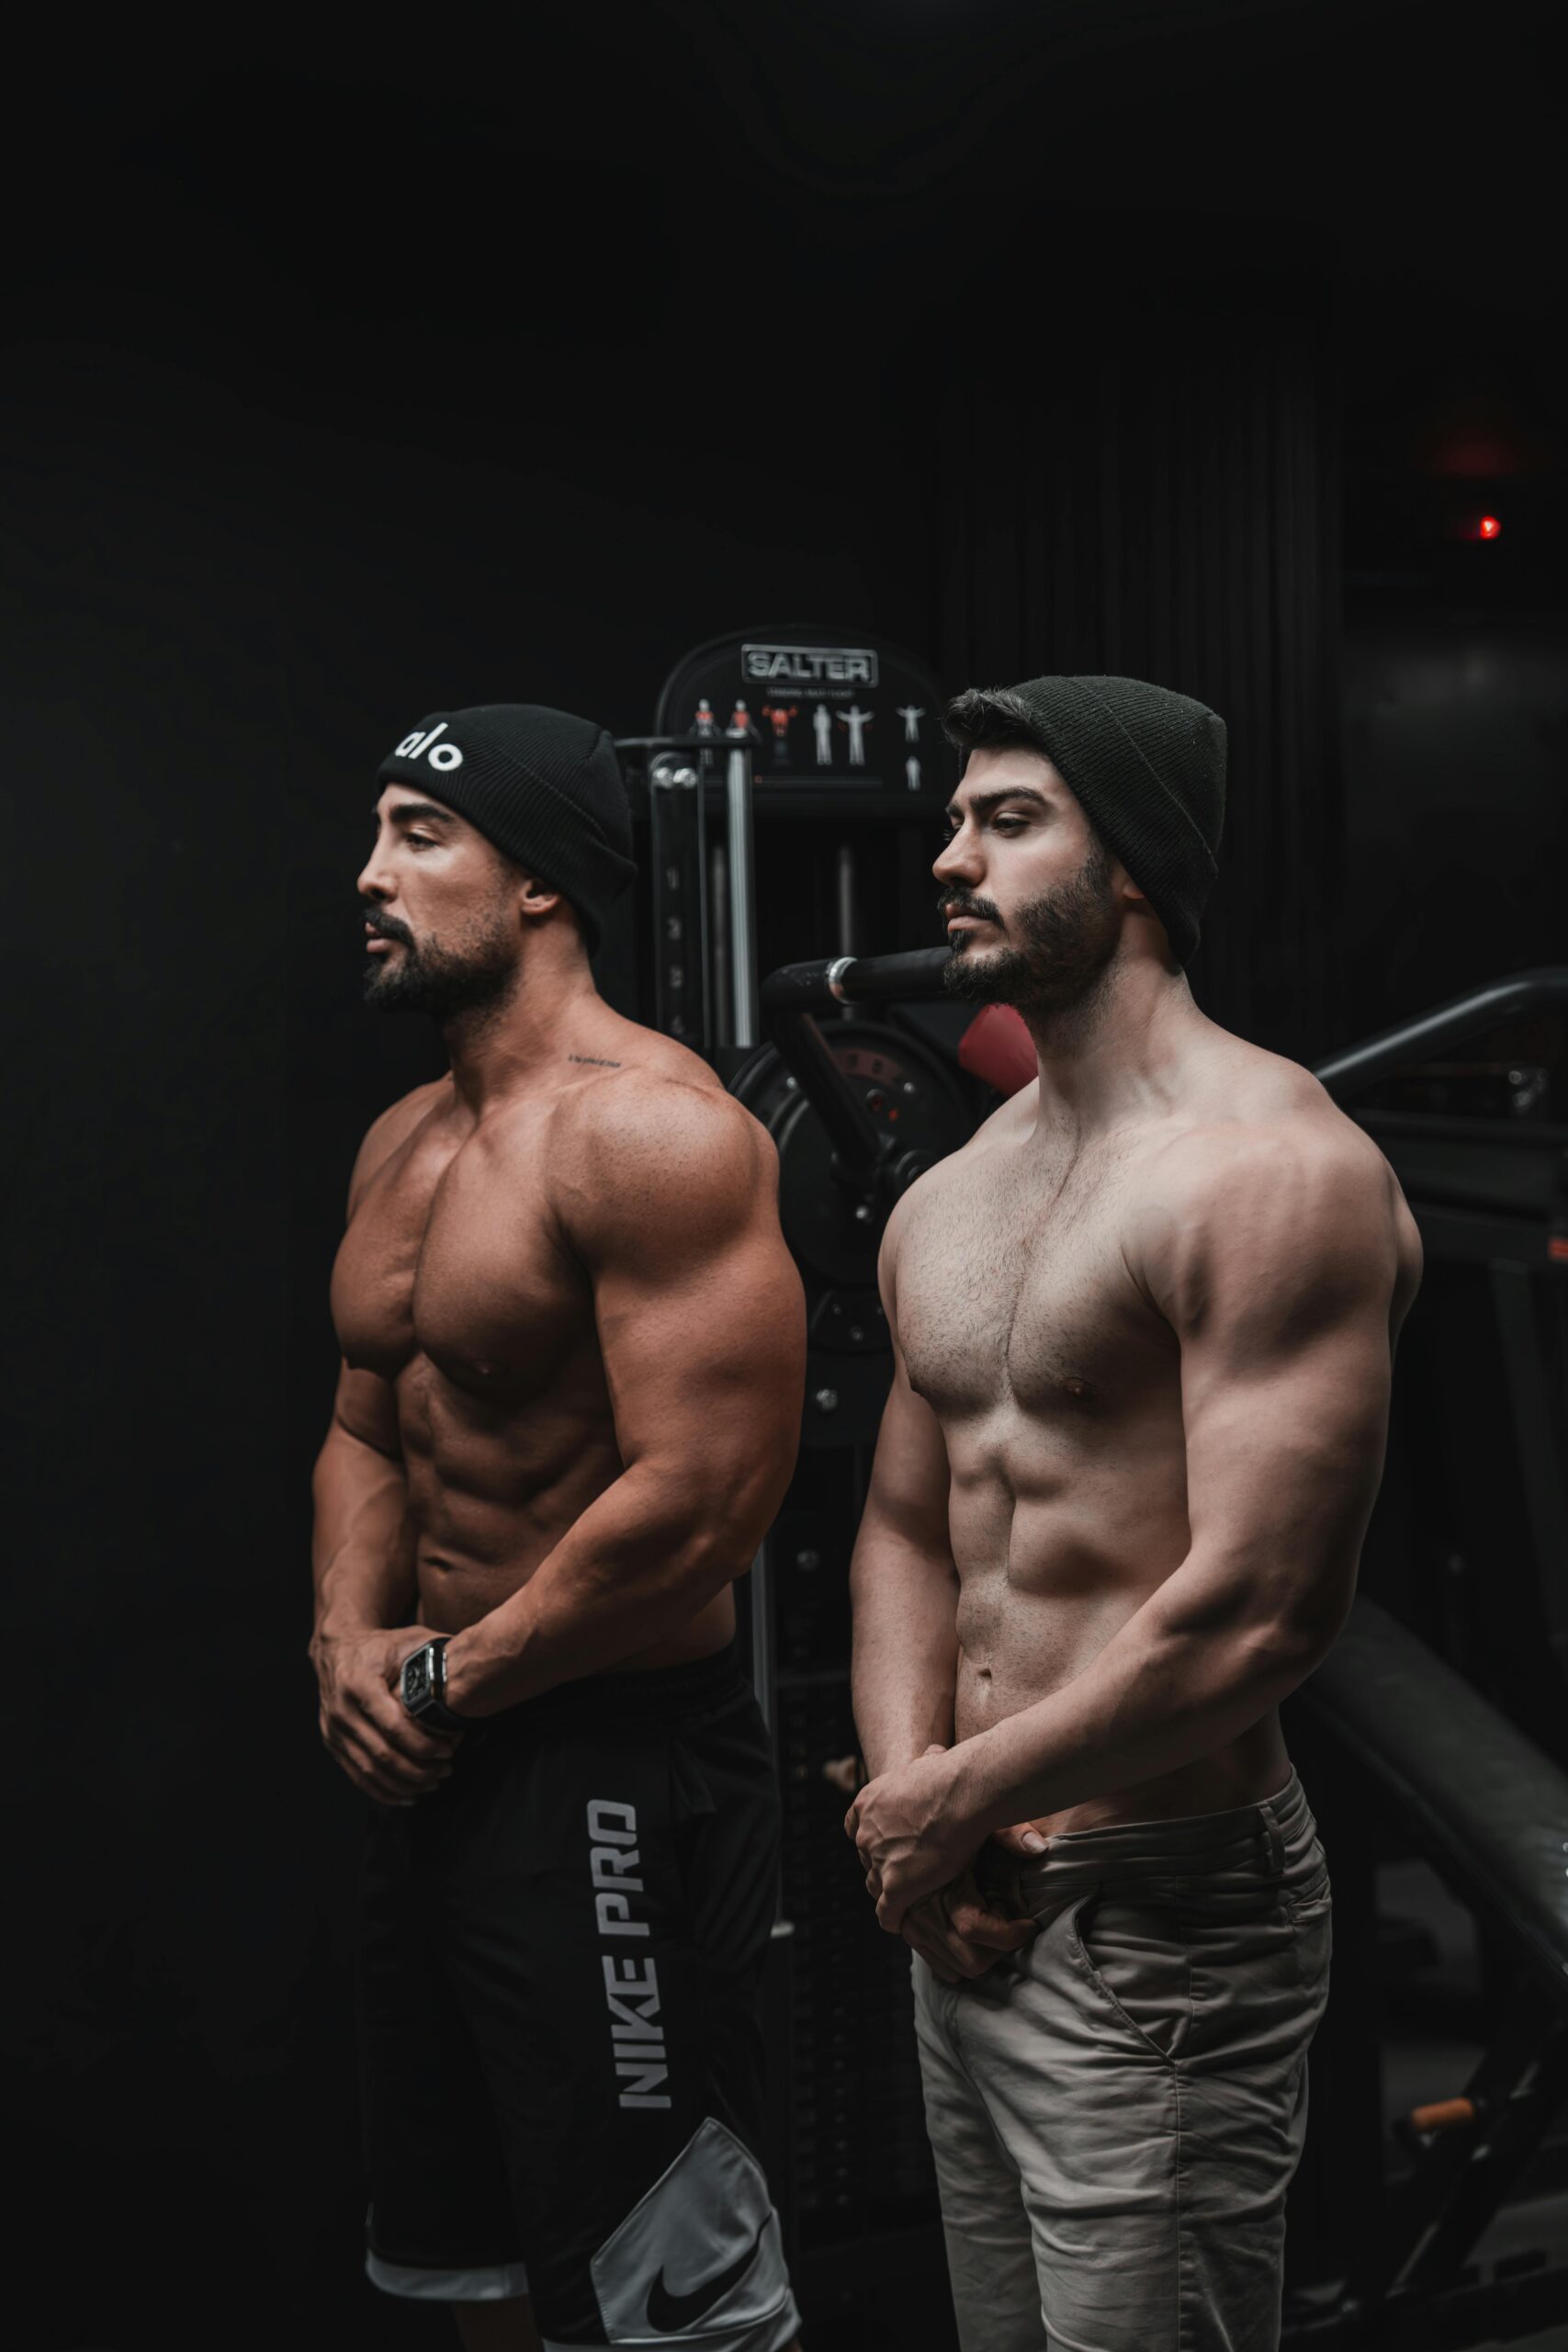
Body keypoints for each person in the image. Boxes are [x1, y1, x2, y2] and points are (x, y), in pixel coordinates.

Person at [845, 674, 1422, 2352]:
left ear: (1140, 874)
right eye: (954, 819)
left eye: (1011, 822)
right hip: (964, 1884)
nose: (952, 857)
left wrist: (952, 1797)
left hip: (1160, 1910)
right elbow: (899, 1524)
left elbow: (1261, 1609)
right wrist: (912, 1802)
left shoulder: (1269, 1172)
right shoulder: (953, 1192)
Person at [310, 703, 806, 2352]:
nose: (368, 874)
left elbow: (699, 1507)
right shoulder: (406, 1141)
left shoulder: (652, 1135)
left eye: (418, 835)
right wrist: (350, 1643)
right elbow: (364, 1420)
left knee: (667, 2289)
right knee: (467, 2258)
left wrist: (452, 1676)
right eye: (376, 832)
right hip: (438, 1753)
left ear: (542, 886)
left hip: (610, 1766)